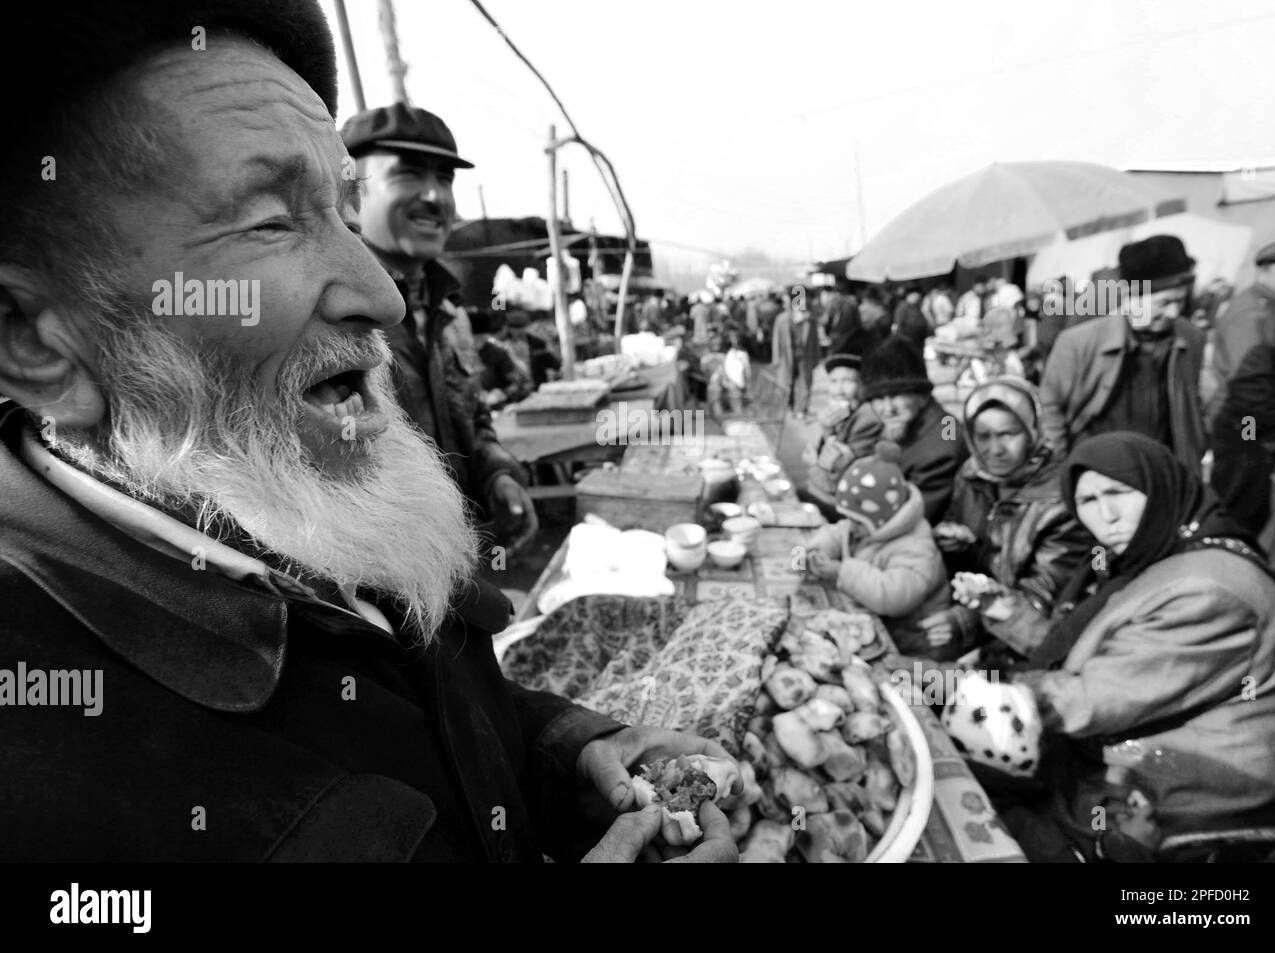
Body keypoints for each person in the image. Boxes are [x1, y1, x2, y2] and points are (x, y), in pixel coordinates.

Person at [0, 0, 738, 863]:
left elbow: (430, 715)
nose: (379, 295)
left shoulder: (282, 482)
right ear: (33, 342)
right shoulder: (52, 768)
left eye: (347, 216)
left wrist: (566, 750)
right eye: (271, 221)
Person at [991, 433, 1275, 862]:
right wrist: (1006, 622)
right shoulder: (1147, 558)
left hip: (1198, 794)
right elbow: (1092, 650)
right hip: (1134, 754)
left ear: (1158, 487)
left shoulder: (1208, 589)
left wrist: (959, 693)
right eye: (1088, 501)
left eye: (1118, 492)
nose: (1106, 516)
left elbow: (1095, 696)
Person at [343, 102, 538, 557]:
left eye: (445, 179)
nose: (435, 196)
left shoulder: (450, 311)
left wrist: (497, 474)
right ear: (348, 189)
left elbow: (474, 416)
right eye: (409, 174)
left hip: (460, 556)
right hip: (380, 583)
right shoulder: (326, 316)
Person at [919, 378, 1092, 662]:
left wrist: (967, 619)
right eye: (983, 436)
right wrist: (951, 543)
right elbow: (969, 554)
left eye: (1008, 434)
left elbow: (1043, 594)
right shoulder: (972, 475)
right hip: (961, 610)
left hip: (1017, 639)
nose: (995, 449)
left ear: (1032, 431)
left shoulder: (1059, 502)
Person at [1039, 235, 1206, 474]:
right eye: (1164, 302)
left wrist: (1241, 436)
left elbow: (1198, 404)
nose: (1173, 312)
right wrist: (1061, 469)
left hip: (1163, 473)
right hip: (1095, 472)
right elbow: (1050, 408)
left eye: (1180, 301)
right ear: (1132, 297)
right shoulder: (1078, 343)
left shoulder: (1190, 339)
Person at [804, 443, 951, 656]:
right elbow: (834, 534)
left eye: (857, 521)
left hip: (913, 640)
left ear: (883, 520)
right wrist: (806, 555)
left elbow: (892, 596)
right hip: (874, 622)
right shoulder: (861, 528)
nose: (850, 526)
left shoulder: (917, 548)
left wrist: (841, 571)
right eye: (848, 518)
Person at [1205, 237, 1275, 535]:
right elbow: (1247, 387)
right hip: (1245, 426)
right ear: (1263, 272)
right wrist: (1271, 439)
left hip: (1257, 425)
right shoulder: (1253, 314)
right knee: (1239, 509)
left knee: (1252, 508)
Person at [859, 336, 969, 522]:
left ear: (921, 393)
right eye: (878, 398)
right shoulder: (921, 422)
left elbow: (910, 518)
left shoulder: (942, 446)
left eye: (895, 395)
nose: (887, 408)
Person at [800, 331, 884, 513]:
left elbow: (837, 479)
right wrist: (826, 428)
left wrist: (813, 465)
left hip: (849, 504)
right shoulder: (846, 414)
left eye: (847, 381)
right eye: (834, 381)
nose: (839, 390)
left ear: (862, 385)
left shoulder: (867, 418)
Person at [770, 293, 821, 418]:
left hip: (805, 357)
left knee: (805, 384)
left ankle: (801, 409)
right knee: (788, 383)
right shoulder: (782, 319)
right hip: (786, 357)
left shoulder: (810, 321)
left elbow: (815, 341)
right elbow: (776, 339)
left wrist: (816, 359)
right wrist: (776, 358)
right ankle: (788, 408)